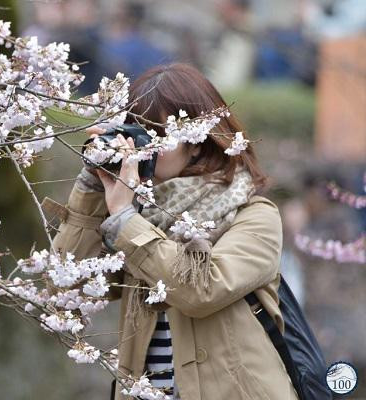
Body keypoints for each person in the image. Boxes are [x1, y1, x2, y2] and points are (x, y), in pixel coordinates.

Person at [50, 63, 299, 399]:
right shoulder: (139, 219)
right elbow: (67, 289)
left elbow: (202, 290)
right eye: (139, 132)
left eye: (160, 134)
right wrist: (91, 190)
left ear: (196, 142)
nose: (147, 147)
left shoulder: (255, 217)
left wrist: (125, 218)